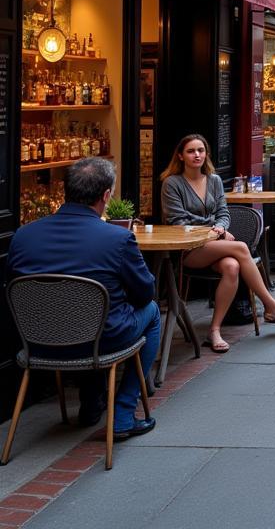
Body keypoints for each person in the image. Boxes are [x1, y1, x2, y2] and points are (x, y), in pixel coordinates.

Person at [6, 156, 160, 439]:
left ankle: (92, 404)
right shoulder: (117, 238)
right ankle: (123, 412)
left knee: (96, 318)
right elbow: (145, 292)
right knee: (151, 313)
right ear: (105, 195)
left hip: (37, 341)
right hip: (99, 340)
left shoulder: (23, 235)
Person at [161, 133, 275, 354]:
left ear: (206, 154)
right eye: (190, 151)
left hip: (213, 243)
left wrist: (221, 227)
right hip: (188, 248)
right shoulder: (172, 183)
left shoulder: (214, 180)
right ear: (180, 156)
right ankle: (271, 306)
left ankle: (214, 330)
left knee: (232, 266)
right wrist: (215, 229)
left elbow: (223, 212)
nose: (196, 155)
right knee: (241, 248)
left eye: (200, 150)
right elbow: (177, 219)